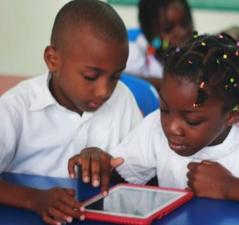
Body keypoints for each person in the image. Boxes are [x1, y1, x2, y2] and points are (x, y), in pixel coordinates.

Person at [69, 33, 239, 216]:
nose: (172, 127)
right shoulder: (154, 129)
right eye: (165, 109)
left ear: (233, 114)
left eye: (192, 119)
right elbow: (119, 183)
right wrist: (97, 163)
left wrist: (228, 187)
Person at [0, 0, 143, 224]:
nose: (105, 91)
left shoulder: (122, 98)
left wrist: (108, 166)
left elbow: (145, 172)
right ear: (53, 60)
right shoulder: (16, 108)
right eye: (90, 76)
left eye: (115, 77)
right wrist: (35, 199)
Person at [124, 0, 194, 90]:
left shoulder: (196, 52)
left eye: (185, 23)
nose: (182, 33)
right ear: (150, 33)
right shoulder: (133, 52)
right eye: (168, 29)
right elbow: (123, 80)